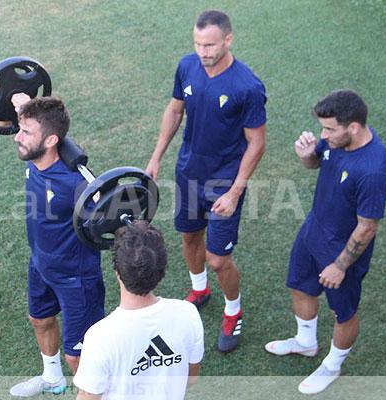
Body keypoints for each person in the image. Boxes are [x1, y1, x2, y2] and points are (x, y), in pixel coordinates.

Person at [145, 10, 266, 353]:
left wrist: (235, 190)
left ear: (228, 40)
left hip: (224, 183)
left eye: (210, 45)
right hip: (188, 173)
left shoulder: (247, 87)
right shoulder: (187, 66)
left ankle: (233, 310)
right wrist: (156, 158)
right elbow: (174, 110)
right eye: (198, 44)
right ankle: (199, 290)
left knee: (218, 259)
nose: (203, 51)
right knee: (188, 236)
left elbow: (256, 142)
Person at [265, 90, 386, 394]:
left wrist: (339, 266)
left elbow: (367, 227)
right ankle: (306, 342)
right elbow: (317, 163)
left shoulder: (373, 169)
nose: (324, 135)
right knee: (299, 285)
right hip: (314, 231)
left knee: (343, 312)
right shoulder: (337, 141)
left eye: (329, 129)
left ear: (354, 127)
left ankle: (333, 365)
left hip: (342, 251)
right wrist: (306, 155)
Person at [8, 96, 105, 397]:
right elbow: (29, 108)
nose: (17, 137)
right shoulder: (36, 156)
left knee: (80, 357)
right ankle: (52, 379)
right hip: (41, 263)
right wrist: (17, 98)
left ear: (51, 140)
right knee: (40, 318)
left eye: (25, 132)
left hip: (77, 278)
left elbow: (112, 214)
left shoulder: (75, 183)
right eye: (20, 129)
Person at [74, 221, 204, 400]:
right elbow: (191, 378)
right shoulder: (188, 314)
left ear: (117, 271)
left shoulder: (99, 337)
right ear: (161, 270)